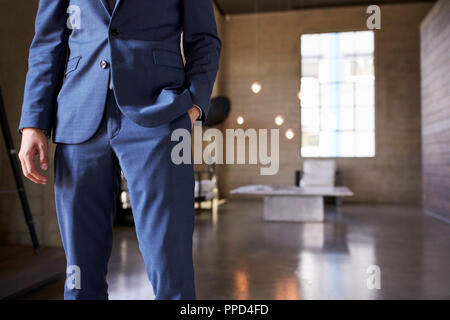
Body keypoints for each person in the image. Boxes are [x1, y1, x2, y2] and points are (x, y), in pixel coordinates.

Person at [18, 0, 221, 300]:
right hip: (78, 117)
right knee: (79, 271)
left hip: (159, 115)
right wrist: (33, 122)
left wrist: (193, 105)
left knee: (170, 265)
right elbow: (48, 41)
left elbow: (204, 39)